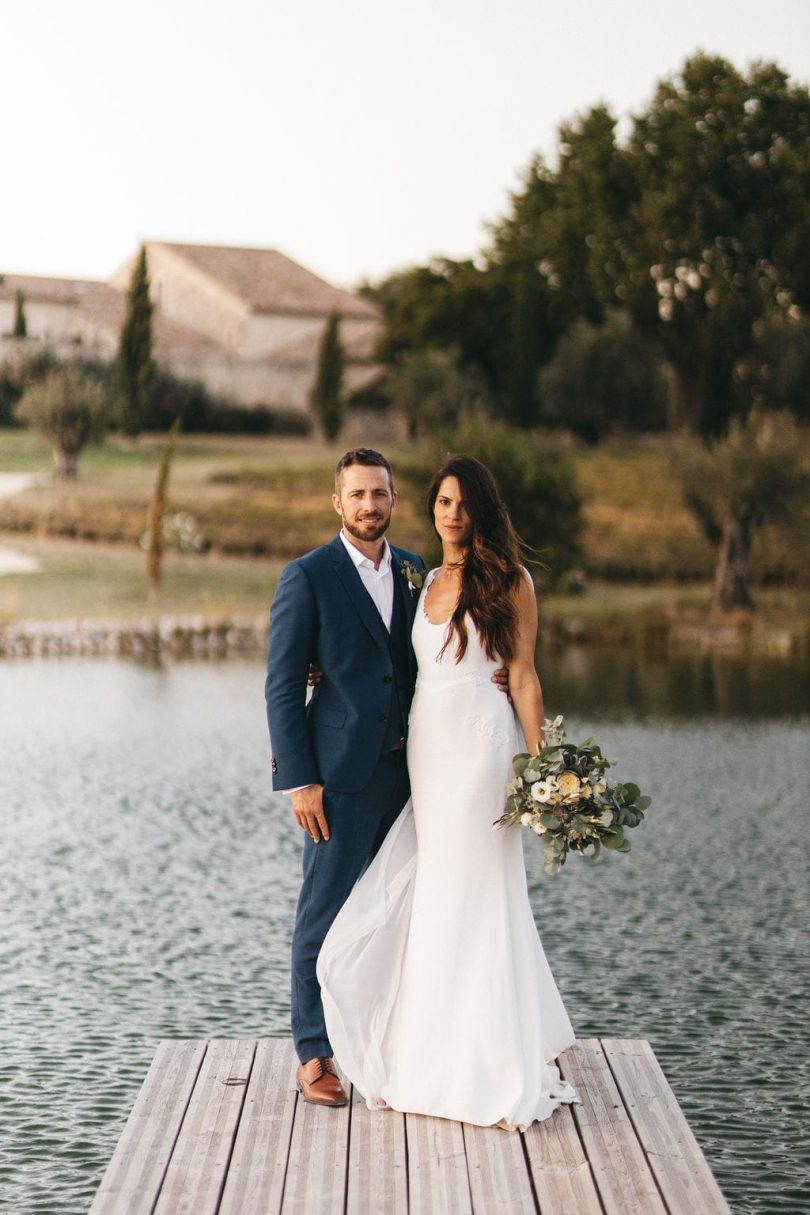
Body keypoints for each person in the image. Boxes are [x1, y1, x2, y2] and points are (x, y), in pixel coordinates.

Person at [317, 455, 577, 1129]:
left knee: (476, 888)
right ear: (429, 509)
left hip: (482, 753)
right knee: (437, 890)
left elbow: (523, 677)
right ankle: (429, 1051)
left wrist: (542, 769)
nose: (452, 513)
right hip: (428, 751)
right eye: (443, 502)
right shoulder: (425, 577)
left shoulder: (511, 581)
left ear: (481, 509)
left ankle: (487, 1058)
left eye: (463, 503)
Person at [265, 448, 507, 1107]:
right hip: (338, 780)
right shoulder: (307, 577)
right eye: (358, 494)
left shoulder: (413, 572)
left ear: (394, 501)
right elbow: (283, 686)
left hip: (413, 774)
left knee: (397, 912)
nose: (371, 504)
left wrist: (496, 676)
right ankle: (313, 1053)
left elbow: (432, 655)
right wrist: (300, 778)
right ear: (337, 503)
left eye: (381, 493)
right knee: (322, 912)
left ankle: (379, 1038)